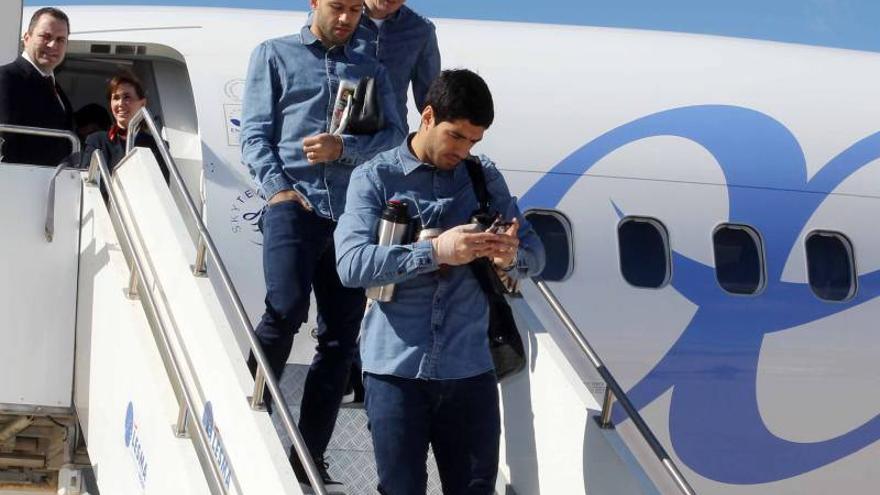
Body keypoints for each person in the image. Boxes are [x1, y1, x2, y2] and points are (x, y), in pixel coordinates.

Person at [335, 69, 545, 494]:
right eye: (456, 137)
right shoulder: (374, 177)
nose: (464, 150)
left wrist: (510, 256)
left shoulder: (483, 178)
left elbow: (536, 256)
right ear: (427, 117)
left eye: (474, 142)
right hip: (395, 371)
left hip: (470, 370)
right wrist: (434, 252)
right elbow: (351, 264)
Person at [239, 0, 404, 491]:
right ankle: (242, 404)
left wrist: (346, 150)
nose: (347, 18)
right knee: (285, 310)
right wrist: (278, 189)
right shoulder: (274, 54)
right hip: (294, 202)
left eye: (355, 9)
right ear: (314, 3)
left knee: (339, 339)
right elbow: (254, 135)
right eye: (338, 6)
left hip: (352, 215)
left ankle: (307, 454)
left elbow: (396, 137)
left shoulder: (371, 68)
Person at [0, 7, 74, 166]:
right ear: (27, 38)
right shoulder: (6, 77)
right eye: (45, 36)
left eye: (61, 39)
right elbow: (6, 138)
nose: (53, 45)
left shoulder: (55, 88)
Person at [355, 0, 440, 130]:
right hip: (333, 142)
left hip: (390, 142)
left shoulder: (422, 30)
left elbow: (430, 101)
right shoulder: (336, 18)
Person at [79, 72, 166, 182]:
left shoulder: (156, 146)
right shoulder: (96, 141)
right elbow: (88, 184)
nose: (120, 103)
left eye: (127, 97)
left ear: (142, 104)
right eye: (115, 98)